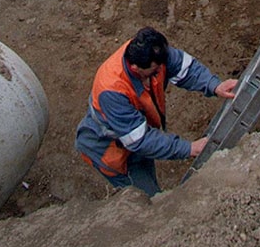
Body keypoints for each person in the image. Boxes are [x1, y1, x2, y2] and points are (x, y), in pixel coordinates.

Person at [75, 26, 238, 195]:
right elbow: (141, 140)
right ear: (137, 69)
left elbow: (186, 69)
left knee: (149, 176)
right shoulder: (112, 90)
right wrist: (189, 148)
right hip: (112, 150)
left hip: (136, 134)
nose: (162, 70)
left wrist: (215, 85)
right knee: (147, 201)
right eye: (155, 70)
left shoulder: (152, 53)